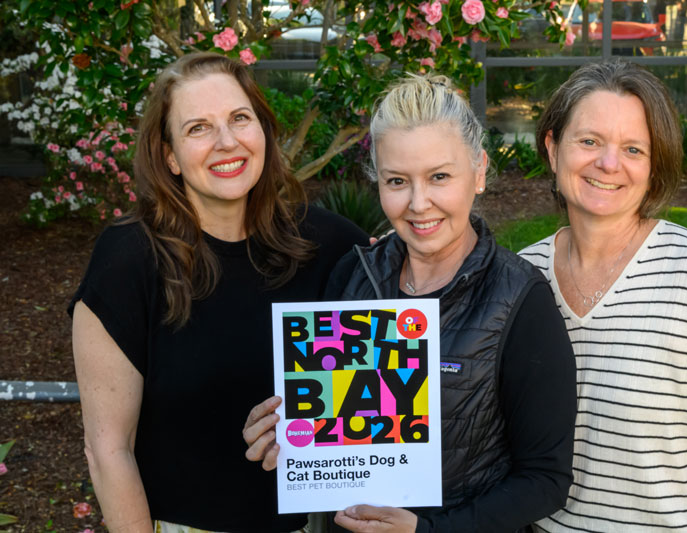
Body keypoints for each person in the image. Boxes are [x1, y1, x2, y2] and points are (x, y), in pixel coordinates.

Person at [244, 73, 578, 532]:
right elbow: (330, 433)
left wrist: (427, 531)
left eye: (439, 177)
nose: (419, 203)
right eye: (397, 181)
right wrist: (285, 434)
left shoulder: (519, 299)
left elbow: (545, 480)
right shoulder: (352, 276)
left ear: (479, 171)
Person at [70, 52, 368, 532]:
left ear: (263, 131)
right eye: (198, 128)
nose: (227, 142)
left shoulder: (333, 246)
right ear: (169, 155)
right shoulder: (128, 262)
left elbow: (400, 377)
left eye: (239, 119)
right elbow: (108, 451)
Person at [518, 59, 687, 532]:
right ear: (553, 149)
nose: (608, 163)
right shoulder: (521, 276)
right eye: (589, 141)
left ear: (653, 167)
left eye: (633, 149)